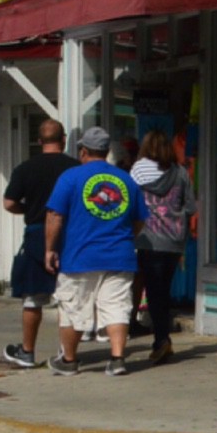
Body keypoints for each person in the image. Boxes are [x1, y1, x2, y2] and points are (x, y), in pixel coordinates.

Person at [44, 126, 145, 376]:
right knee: (118, 306)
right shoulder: (126, 179)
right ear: (107, 151)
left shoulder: (71, 177)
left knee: (73, 308)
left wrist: (50, 249)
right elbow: (140, 219)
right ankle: (118, 358)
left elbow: (55, 215)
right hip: (120, 255)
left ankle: (69, 360)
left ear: (84, 151)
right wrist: (126, 237)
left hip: (80, 255)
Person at [1, 120, 74, 369]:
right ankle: (67, 352)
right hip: (69, 233)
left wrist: (29, 210)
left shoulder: (25, 169)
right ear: (63, 139)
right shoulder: (73, 168)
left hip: (36, 233)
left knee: (33, 297)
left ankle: (28, 351)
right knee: (68, 297)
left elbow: (9, 203)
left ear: (39, 141)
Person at [131, 129, 191, 366]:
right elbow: (191, 207)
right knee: (162, 289)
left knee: (154, 291)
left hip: (148, 239)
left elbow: (130, 203)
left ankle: (161, 340)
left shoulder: (136, 171)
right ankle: (162, 339)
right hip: (175, 240)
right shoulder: (181, 173)